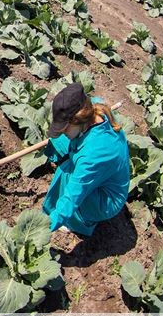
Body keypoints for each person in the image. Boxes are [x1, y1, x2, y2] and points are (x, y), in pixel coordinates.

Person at [42, 83, 130, 239]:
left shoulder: (93, 156)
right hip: (101, 170)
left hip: (106, 200)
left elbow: (72, 197)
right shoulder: (94, 106)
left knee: (66, 173)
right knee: (58, 141)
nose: (63, 131)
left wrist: (43, 229)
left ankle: (77, 222)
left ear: (78, 120)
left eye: (65, 128)